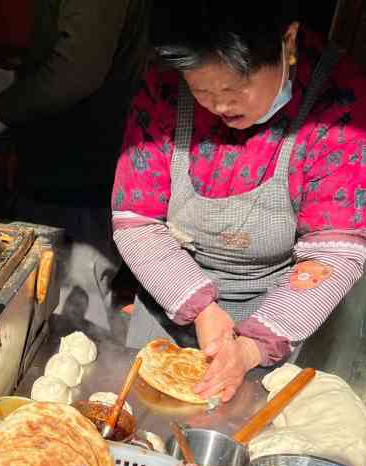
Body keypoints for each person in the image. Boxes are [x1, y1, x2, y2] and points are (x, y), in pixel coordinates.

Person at [112, 3, 366, 401]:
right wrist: (201, 309)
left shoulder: (337, 101)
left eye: (233, 88)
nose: (218, 106)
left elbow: (332, 254)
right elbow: (136, 220)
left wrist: (249, 347)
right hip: (170, 294)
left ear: (287, 41)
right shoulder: (163, 86)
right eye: (200, 89)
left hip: (282, 311)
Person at [0, 0, 149, 334]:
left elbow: (77, 71)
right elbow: (75, 51)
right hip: (60, 172)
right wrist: (16, 79)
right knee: (45, 311)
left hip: (79, 176)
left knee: (71, 324)